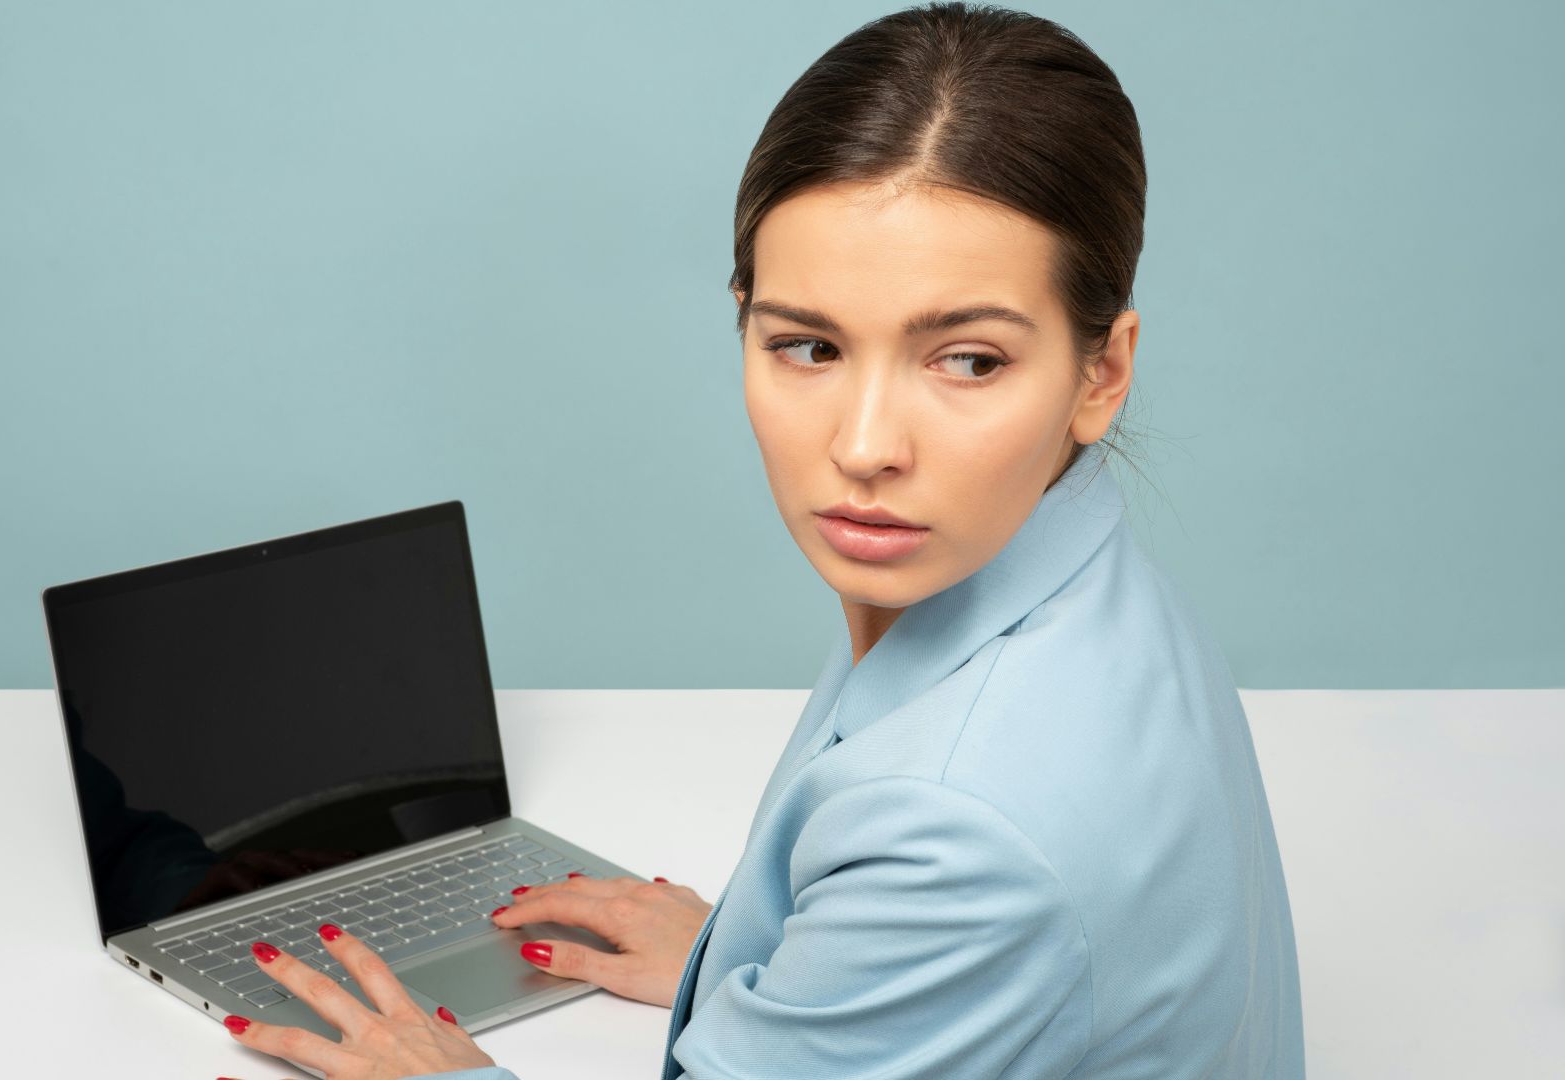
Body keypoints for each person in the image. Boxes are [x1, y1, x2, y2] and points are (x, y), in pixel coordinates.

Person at [215, 3, 1304, 1076]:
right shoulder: (1070, 568)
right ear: (745, 317)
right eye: (809, 345)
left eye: (967, 359)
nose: (867, 446)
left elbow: (980, 847)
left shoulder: (955, 832)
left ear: (1100, 372)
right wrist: (771, 963)